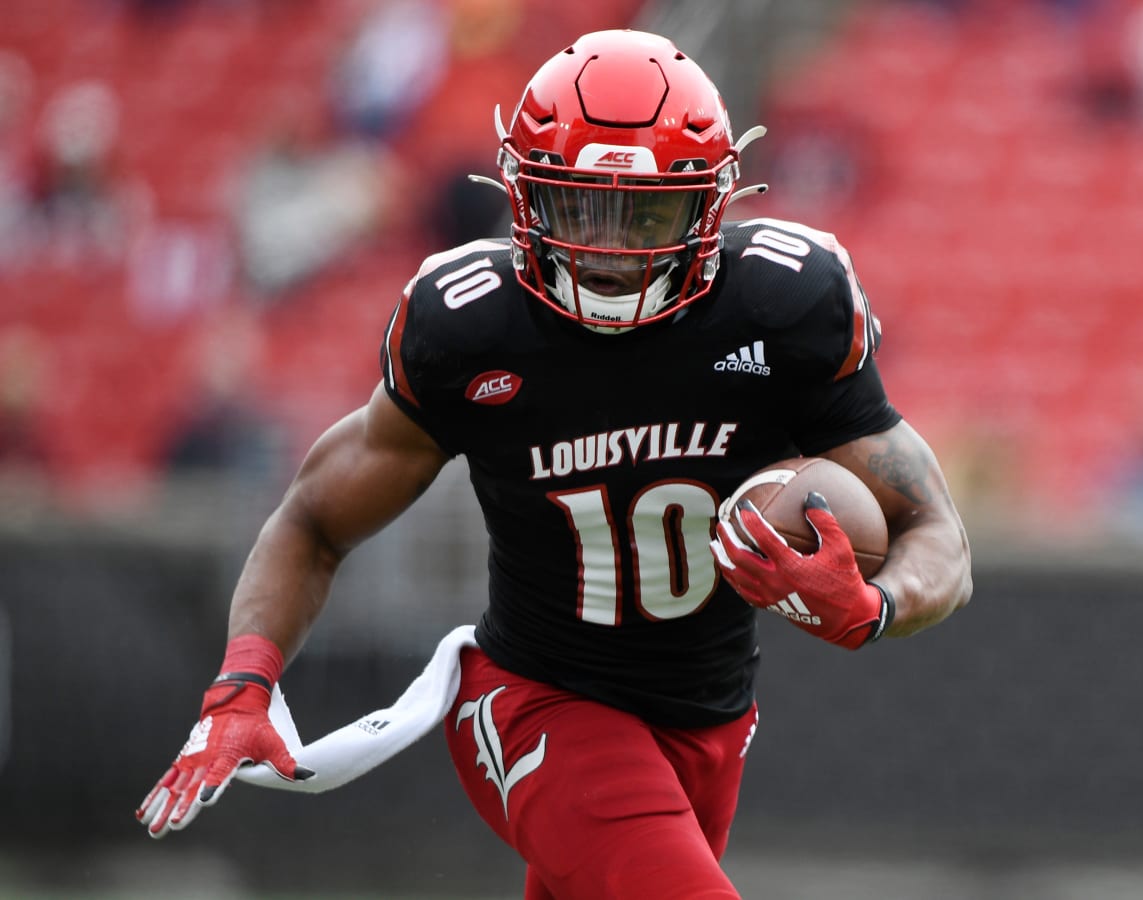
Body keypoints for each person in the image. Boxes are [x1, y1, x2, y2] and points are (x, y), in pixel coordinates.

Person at [136, 29, 973, 899]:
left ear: (712, 203)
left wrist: (877, 605)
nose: (610, 251)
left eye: (644, 214)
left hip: (710, 722)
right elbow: (313, 516)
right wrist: (243, 682)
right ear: (524, 197)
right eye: (581, 209)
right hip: (535, 699)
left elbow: (936, 533)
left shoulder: (785, 301)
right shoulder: (471, 324)